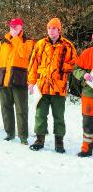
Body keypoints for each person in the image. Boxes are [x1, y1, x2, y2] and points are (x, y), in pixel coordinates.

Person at [28, 17, 77, 153]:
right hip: (42, 86)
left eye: (54, 28)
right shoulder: (40, 44)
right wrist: (32, 82)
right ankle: (39, 140)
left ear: (59, 30)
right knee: (40, 114)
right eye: (49, 28)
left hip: (59, 88)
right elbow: (33, 64)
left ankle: (59, 142)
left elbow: (74, 64)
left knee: (59, 116)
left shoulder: (67, 45)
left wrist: (62, 67)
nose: (51, 30)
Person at [0, 18, 35, 145]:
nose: (13, 28)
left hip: (19, 80)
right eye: (11, 26)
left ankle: (23, 137)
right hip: (3, 79)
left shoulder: (28, 41)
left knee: (22, 110)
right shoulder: (2, 42)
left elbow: (24, 54)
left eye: (16, 26)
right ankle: (9, 133)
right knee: (6, 108)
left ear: (21, 27)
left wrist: (15, 38)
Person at [72, 33, 93, 157]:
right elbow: (76, 69)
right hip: (88, 93)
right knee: (88, 122)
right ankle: (87, 148)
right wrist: (84, 75)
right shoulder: (86, 53)